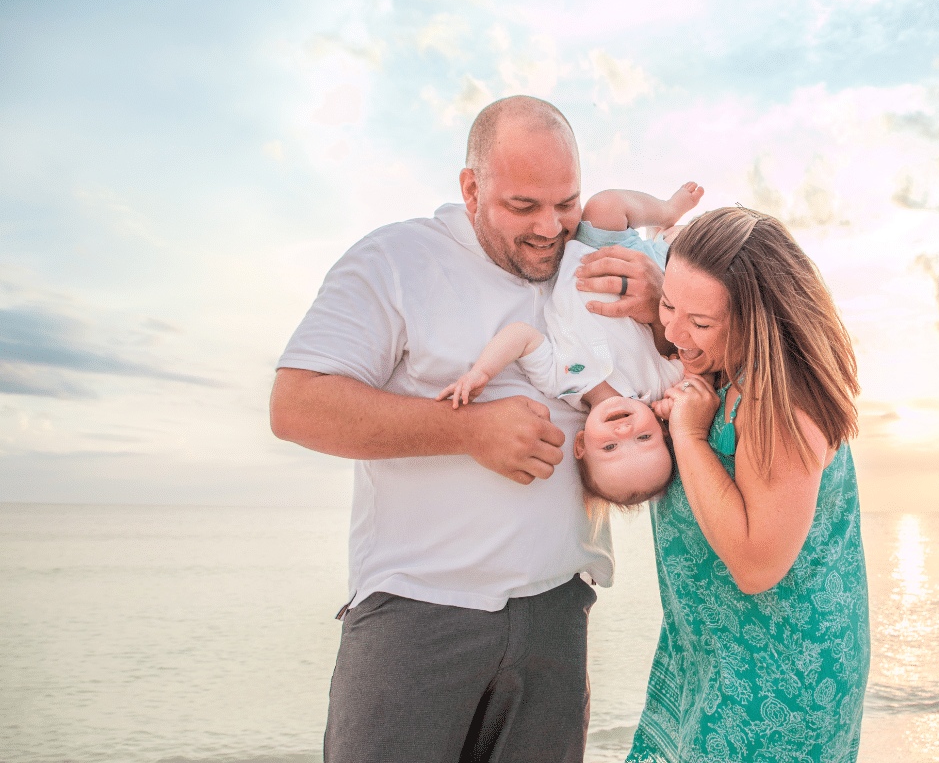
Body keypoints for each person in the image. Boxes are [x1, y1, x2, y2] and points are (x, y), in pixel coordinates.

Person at [269, 95, 663, 763]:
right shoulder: (395, 259)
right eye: (523, 207)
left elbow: (683, 364)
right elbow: (296, 405)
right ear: (471, 188)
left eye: (565, 203)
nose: (550, 227)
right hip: (417, 617)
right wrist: (468, 430)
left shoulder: (590, 262)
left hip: (556, 618)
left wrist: (656, 308)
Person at [626, 207, 870, 763]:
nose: (672, 332)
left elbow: (758, 565)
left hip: (777, 680)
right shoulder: (726, 368)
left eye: (700, 323)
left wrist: (687, 436)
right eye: (669, 305)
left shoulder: (780, 403)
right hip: (711, 649)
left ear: (756, 321)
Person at [437, 184, 704, 507]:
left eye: (610, 448)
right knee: (675, 238)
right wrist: (682, 402)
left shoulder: (560, 382)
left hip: (590, 259)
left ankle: (663, 237)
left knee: (602, 207)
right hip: (648, 275)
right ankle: (666, 212)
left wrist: (482, 371)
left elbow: (521, 336)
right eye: (644, 438)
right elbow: (699, 364)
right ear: (663, 431)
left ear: (581, 445)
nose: (624, 431)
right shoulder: (659, 385)